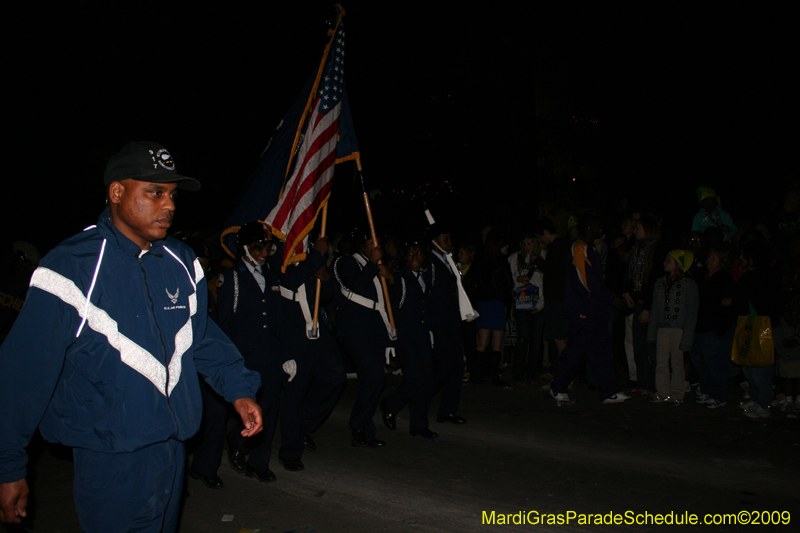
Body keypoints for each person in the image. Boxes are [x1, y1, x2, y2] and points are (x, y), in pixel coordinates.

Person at [0, 141, 263, 531]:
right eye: (155, 192)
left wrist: (239, 389)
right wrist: (8, 465)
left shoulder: (181, 261)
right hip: (110, 456)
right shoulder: (71, 266)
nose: (169, 205)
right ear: (117, 192)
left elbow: (202, 337)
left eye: (172, 194)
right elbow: (23, 373)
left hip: (172, 447)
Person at [219, 222, 297, 483]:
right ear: (245, 249)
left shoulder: (271, 276)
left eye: (267, 247)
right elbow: (225, 324)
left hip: (271, 355)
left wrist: (287, 354)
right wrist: (231, 360)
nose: (264, 253)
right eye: (258, 248)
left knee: (270, 407)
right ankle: (237, 441)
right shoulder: (231, 277)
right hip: (245, 356)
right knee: (249, 407)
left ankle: (259, 464)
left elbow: (279, 319)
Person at [269, 237, 346, 466]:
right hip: (291, 329)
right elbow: (291, 279)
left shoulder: (309, 249)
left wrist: (326, 277)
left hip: (316, 327)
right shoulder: (278, 249)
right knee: (296, 390)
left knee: (335, 378)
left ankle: (302, 424)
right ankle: (290, 452)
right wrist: (316, 256)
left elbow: (325, 294)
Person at [548, 216, 629, 405]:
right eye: (597, 225)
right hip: (584, 310)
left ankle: (609, 391)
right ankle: (558, 387)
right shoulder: (580, 247)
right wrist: (611, 298)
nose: (600, 228)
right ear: (588, 228)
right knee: (576, 351)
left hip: (594, 311)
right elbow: (586, 282)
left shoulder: (589, 248)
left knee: (601, 352)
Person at [334, 233, 395, 446]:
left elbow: (387, 297)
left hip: (374, 330)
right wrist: (371, 263)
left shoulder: (378, 265)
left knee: (371, 381)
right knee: (375, 377)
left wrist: (390, 278)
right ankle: (358, 424)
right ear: (364, 243)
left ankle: (365, 431)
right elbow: (356, 285)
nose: (377, 247)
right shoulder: (345, 262)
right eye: (372, 243)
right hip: (354, 329)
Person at [381, 240, 438, 439]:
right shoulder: (401, 277)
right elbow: (392, 290)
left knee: (427, 380)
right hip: (405, 336)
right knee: (415, 377)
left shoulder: (425, 278)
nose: (415, 258)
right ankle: (390, 405)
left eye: (419, 253)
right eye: (411, 254)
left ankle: (419, 425)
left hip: (422, 335)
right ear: (405, 257)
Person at [427, 225, 469, 424]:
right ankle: (418, 394)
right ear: (435, 241)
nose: (450, 244)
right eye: (445, 240)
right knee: (447, 365)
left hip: (452, 320)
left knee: (457, 366)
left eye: (450, 240)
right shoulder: (430, 263)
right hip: (439, 321)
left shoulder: (448, 261)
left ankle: (448, 410)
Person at [648, 250, 700, 405]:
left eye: (669, 261)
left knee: (677, 363)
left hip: (679, 329)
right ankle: (662, 392)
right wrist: (652, 332)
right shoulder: (660, 283)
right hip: (663, 327)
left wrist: (687, 337)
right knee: (661, 362)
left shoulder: (689, 284)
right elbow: (655, 309)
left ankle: (678, 394)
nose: (665, 263)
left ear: (678, 264)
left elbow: (692, 313)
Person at [509, 234, 545, 385]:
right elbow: (508, 277)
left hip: (539, 302)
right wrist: (518, 279)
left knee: (536, 340)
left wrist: (541, 304)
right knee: (523, 337)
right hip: (522, 301)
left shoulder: (543, 257)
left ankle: (532, 373)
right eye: (524, 244)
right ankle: (517, 373)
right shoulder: (515, 258)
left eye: (529, 243)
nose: (527, 247)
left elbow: (547, 282)